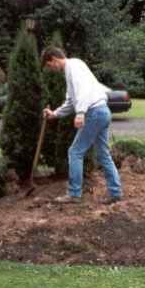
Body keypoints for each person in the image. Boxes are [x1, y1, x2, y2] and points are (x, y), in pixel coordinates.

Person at [41, 47, 122, 204]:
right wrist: (55, 113)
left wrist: (80, 113)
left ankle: (74, 193)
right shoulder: (71, 70)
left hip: (94, 113)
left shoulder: (74, 66)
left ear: (53, 59)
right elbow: (71, 101)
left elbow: (83, 91)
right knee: (103, 154)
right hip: (102, 112)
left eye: (50, 66)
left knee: (75, 152)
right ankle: (115, 192)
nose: (52, 70)